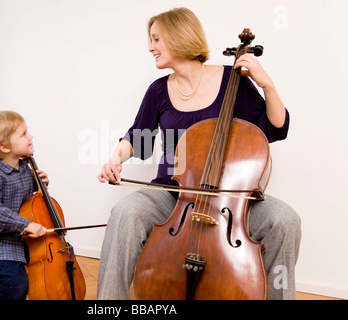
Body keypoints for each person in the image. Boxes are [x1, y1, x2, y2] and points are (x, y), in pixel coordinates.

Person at [97, 7, 301, 300]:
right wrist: (114, 159)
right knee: (125, 212)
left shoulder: (233, 80)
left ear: (179, 36)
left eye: (156, 39)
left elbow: (276, 128)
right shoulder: (158, 91)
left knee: (285, 219)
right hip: (172, 196)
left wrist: (267, 84)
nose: (150, 47)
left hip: (229, 199)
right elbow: (138, 139)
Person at [0, 110, 48, 300]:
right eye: (23, 134)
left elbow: (30, 205)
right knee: (16, 283)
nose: (30, 136)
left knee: (59, 259)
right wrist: (26, 225)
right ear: (4, 147)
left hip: (18, 239)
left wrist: (41, 185)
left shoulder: (24, 169)